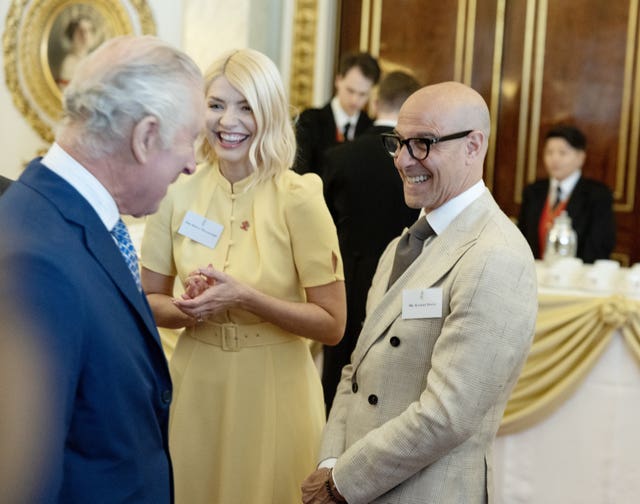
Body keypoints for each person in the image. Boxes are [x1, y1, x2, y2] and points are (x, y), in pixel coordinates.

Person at [301, 81, 539, 504]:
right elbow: (356, 372)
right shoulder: (401, 245)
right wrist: (329, 463)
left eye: (423, 144)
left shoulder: (495, 254)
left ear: (473, 145)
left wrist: (343, 482)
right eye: (398, 142)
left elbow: (449, 414)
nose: (403, 160)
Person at [0, 35, 204, 503]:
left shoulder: (71, 220)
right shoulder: (38, 261)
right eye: (190, 139)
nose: (193, 164)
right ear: (145, 136)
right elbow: (23, 477)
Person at [140, 48, 346, 504]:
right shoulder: (176, 192)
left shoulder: (300, 197)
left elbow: (333, 325)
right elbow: (149, 301)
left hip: (276, 388)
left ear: (268, 112)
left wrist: (246, 298)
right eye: (216, 105)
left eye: (246, 106)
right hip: (198, 385)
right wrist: (187, 307)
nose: (227, 120)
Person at [320, 70, 421, 413]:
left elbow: (324, 226)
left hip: (347, 280)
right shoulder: (421, 162)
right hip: (405, 282)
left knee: (337, 378)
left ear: (376, 102)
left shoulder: (339, 157)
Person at [518, 124, 616, 263]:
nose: (554, 159)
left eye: (562, 153)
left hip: (577, 277)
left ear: (580, 157)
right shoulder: (533, 191)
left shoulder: (598, 195)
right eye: (549, 152)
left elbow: (600, 245)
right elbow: (521, 238)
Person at [293, 51, 381, 175]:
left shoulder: (370, 128)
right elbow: (299, 171)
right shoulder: (310, 121)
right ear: (338, 80)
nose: (355, 100)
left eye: (363, 94)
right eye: (350, 90)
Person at [57, 16, 97, 89]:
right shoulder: (69, 64)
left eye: (89, 30)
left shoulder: (92, 59)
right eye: (80, 31)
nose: (85, 36)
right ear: (72, 36)